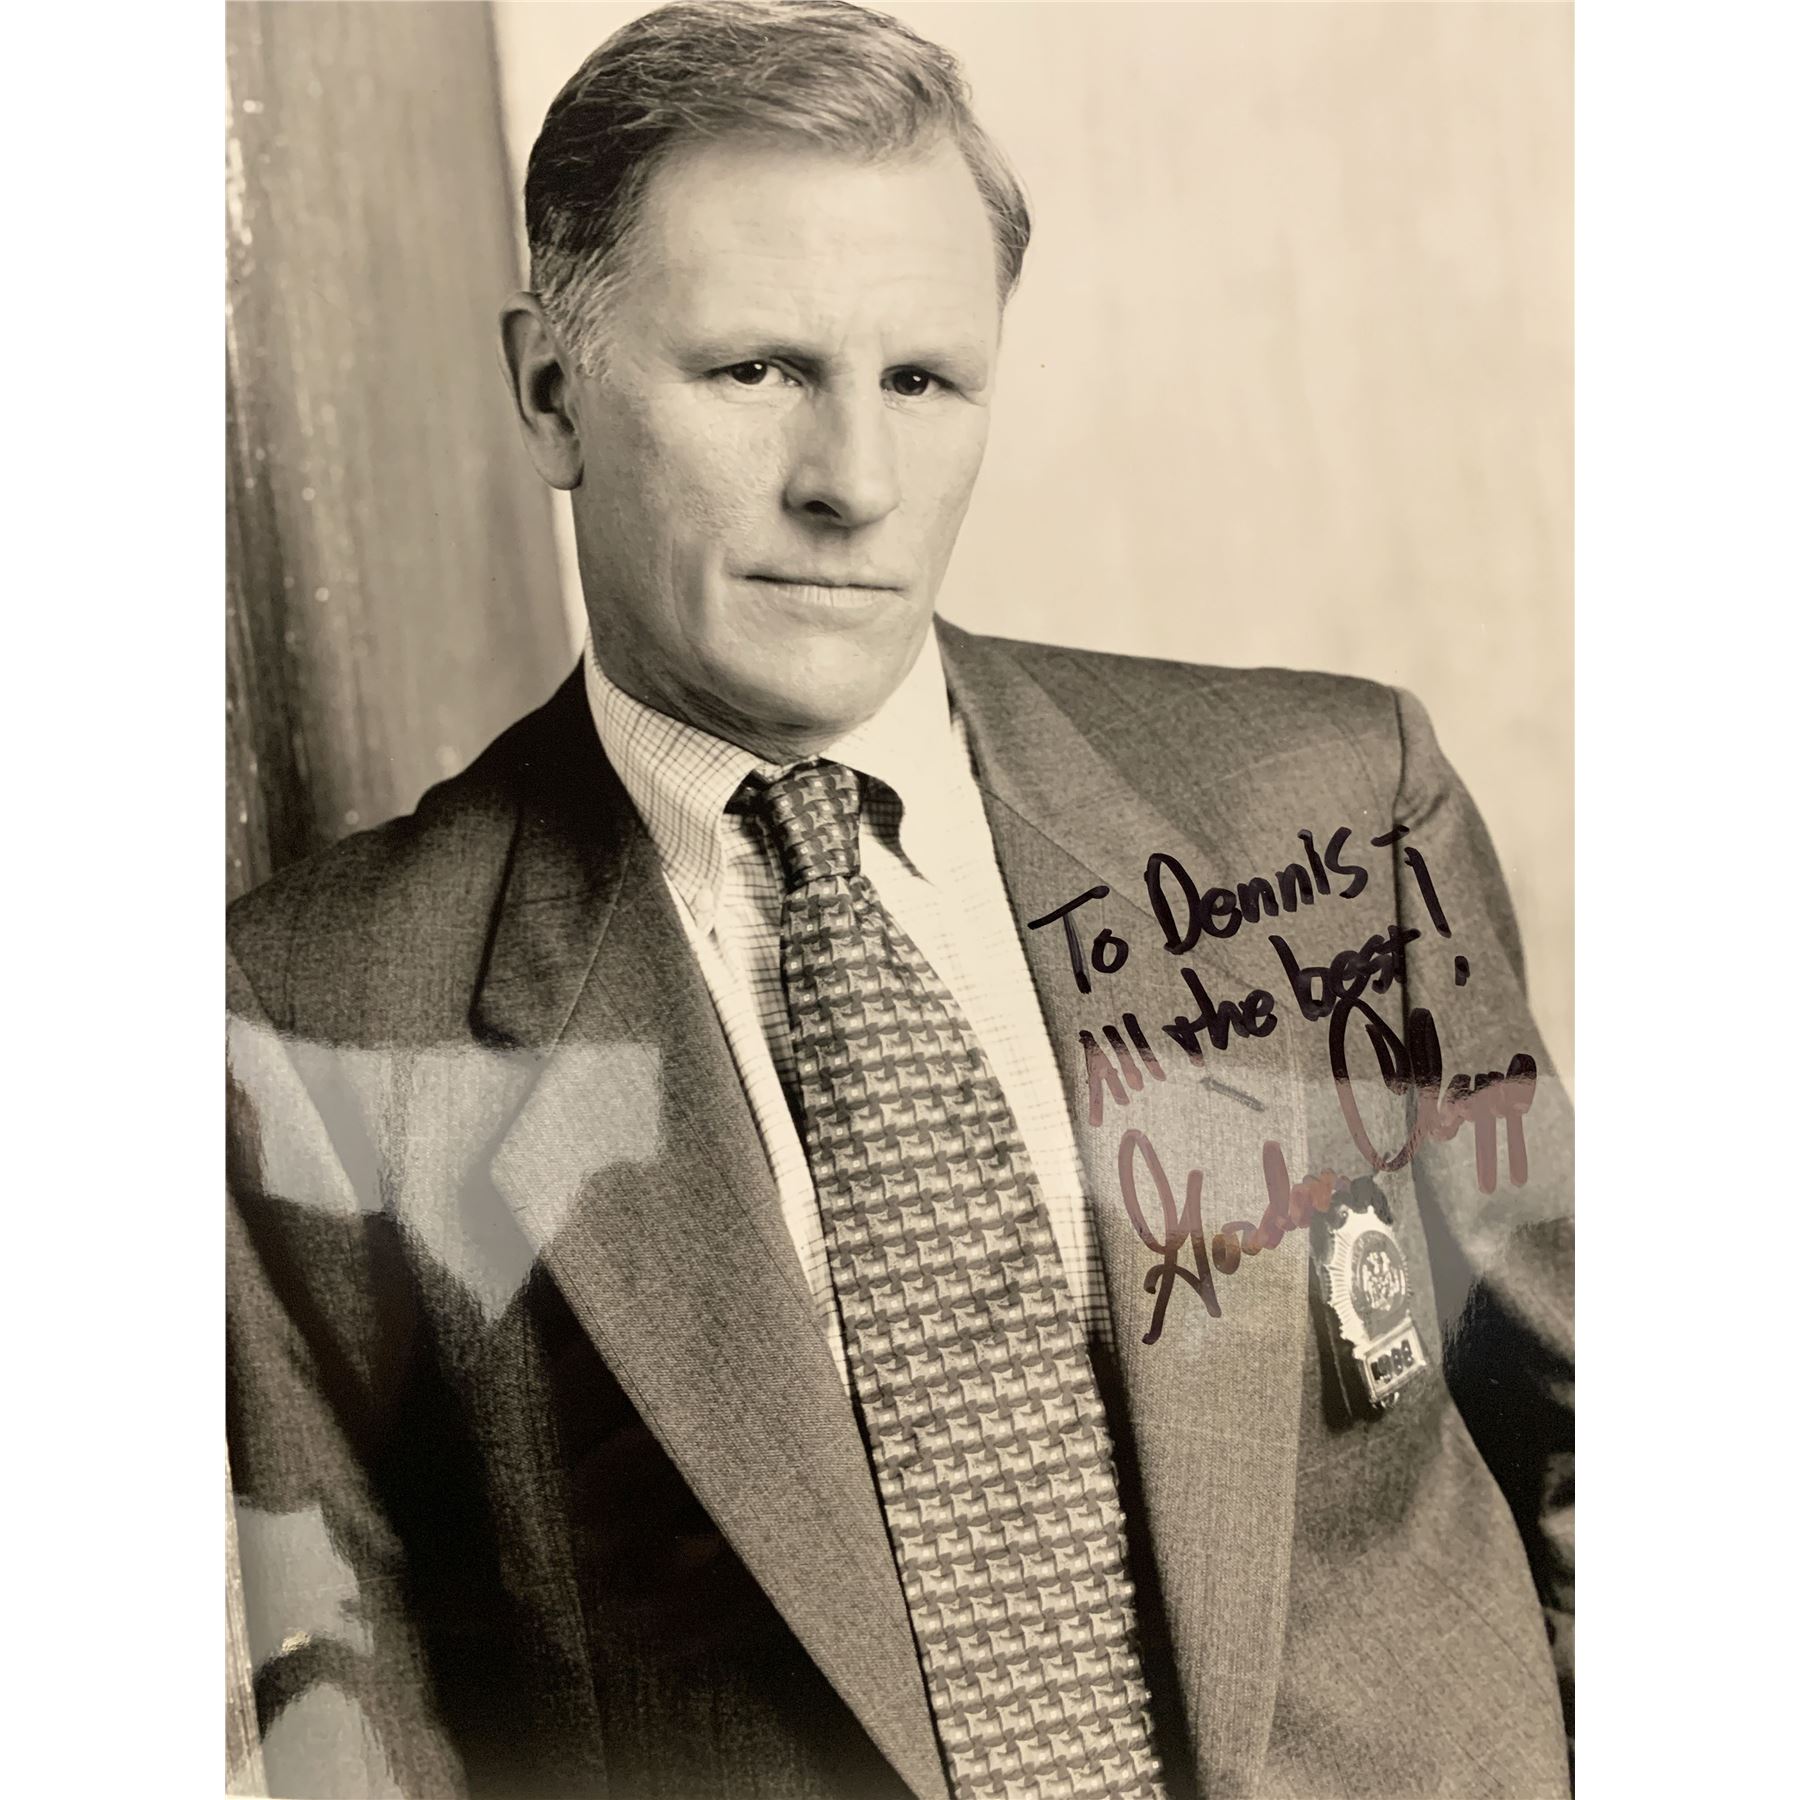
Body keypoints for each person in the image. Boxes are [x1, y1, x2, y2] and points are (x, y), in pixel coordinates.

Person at [226, 4, 1573, 1796]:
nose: (853, 485)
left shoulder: (1333, 812)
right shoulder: (314, 1016)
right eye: (755, 371)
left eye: (925, 382)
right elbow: (351, 1725)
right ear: (551, 391)